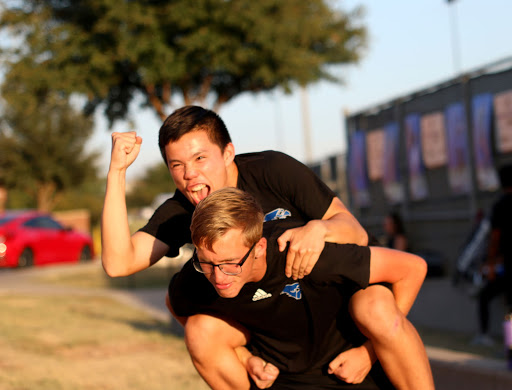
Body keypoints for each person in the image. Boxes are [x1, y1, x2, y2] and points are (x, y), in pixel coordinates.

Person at [101, 105, 429, 388]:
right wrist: (117, 172)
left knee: (374, 306)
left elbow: (354, 231)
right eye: (177, 165)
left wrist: (319, 229)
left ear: (228, 152)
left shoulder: (272, 169)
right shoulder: (183, 209)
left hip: (342, 298)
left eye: (200, 158)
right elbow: (119, 263)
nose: (190, 174)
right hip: (279, 325)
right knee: (201, 330)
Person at [169, 187, 434, 389]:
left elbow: (412, 268)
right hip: (280, 378)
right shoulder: (199, 275)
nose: (218, 276)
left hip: (349, 370)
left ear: (259, 248)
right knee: (199, 331)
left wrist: (368, 353)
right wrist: (244, 356)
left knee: (377, 306)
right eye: (206, 262)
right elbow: (175, 302)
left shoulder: (302, 253)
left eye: (230, 263)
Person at [473, 164, 512, 346]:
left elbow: (495, 238)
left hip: (505, 262)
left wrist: (489, 262)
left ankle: (489, 336)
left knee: (486, 297)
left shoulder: (500, 205)